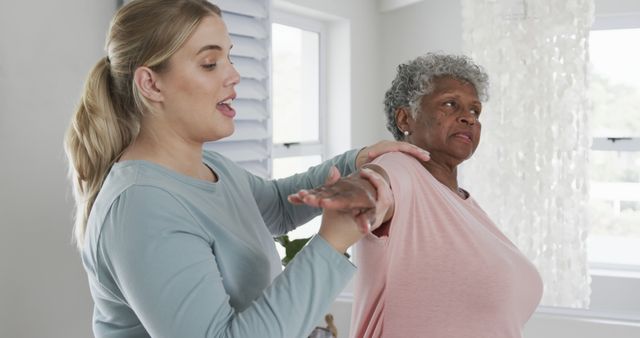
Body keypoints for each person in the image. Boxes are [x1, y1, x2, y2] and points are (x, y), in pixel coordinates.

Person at [63, 1, 430, 337]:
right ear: (151, 83)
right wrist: (331, 242)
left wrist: (355, 161)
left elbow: (274, 205)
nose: (234, 75)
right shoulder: (141, 207)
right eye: (210, 63)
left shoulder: (208, 165)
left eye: (229, 58)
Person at [293, 53, 543, 338]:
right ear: (405, 118)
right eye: (450, 104)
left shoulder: (463, 203)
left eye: (475, 111)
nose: (468, 118)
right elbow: (378, 183)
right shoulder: (401, 168)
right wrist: (358, 190)